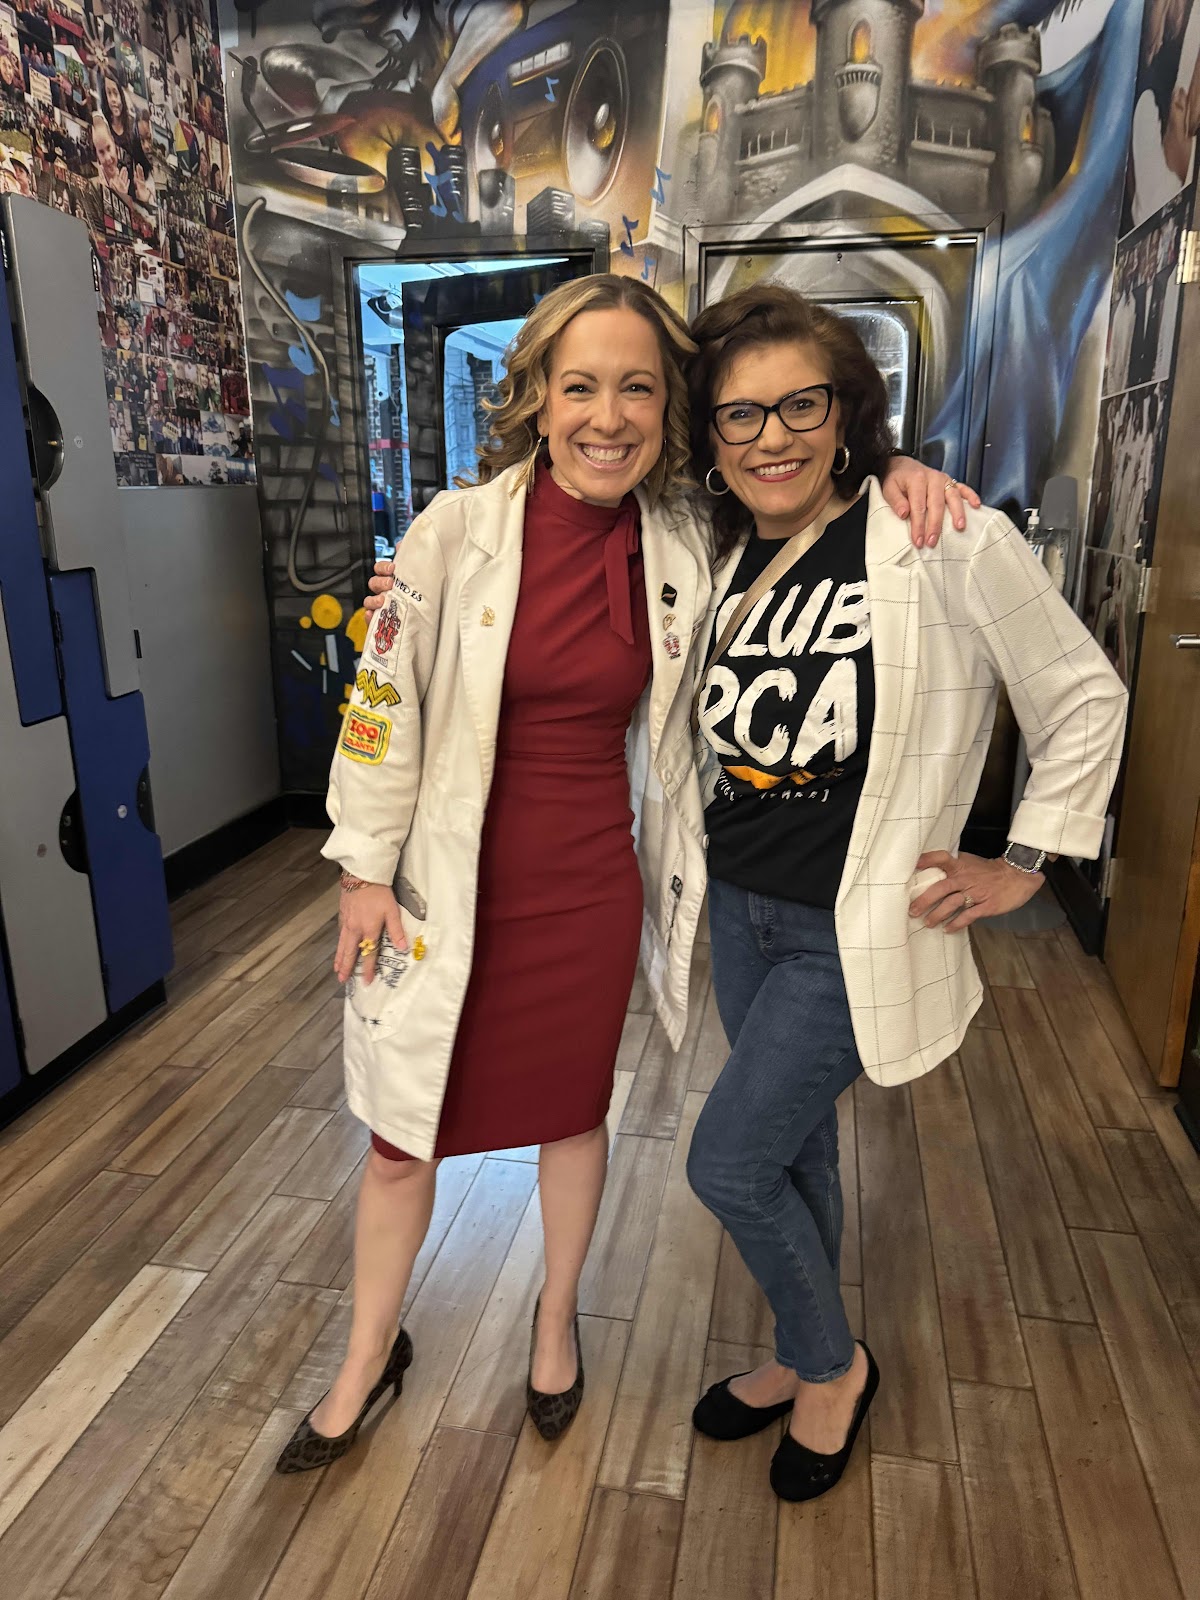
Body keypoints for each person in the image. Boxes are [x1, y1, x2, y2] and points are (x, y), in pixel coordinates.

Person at [283, 274, 966, 1475]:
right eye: (582, 386)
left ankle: (556, 1324)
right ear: (538, 399)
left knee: (570, 1115)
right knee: (401, 1131)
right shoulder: (452, 532)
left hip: (591, 888)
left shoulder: (688, 538)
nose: (609, 416)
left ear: (668, 409)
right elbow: (380, 707)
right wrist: (361, 868)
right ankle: (366, 1355)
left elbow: (807, 499)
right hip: (444, 886)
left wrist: (896, 467)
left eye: (638, 388)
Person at [677, 285, 1125, 1504]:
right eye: (739, 414)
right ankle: (798, 1345)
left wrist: (1026, 860)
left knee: (727, 1162)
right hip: (741, 906)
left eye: (800, 405)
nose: (771, 436)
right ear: (710, 436)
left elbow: (1083, 693)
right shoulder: (717, 553)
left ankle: (834, 1367)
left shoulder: (940, 537)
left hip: (853, 921)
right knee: (794, 1146)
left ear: (846, 414)